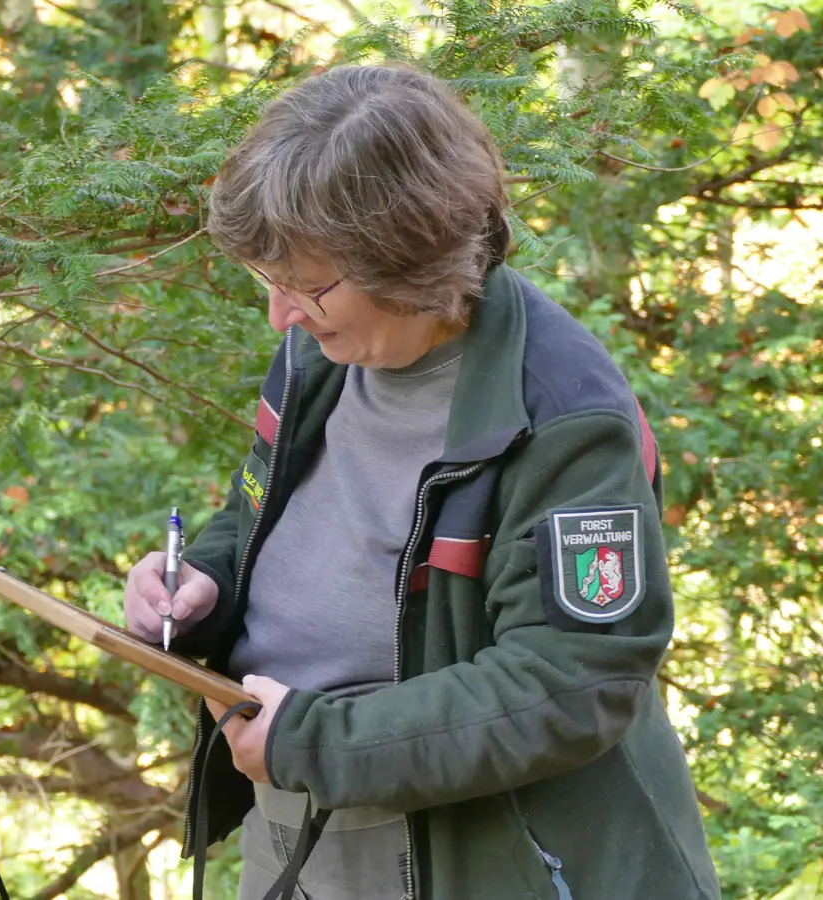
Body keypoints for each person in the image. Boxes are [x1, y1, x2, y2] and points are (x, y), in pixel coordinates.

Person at [122, 63, 722, 900]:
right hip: (296, 816)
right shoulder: (316, 355)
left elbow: (574, 684)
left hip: (479, 852)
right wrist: (203, 584)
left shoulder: (562, 419)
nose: (280, 315)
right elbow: (256, 514)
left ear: (410, 257)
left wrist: (328, 743)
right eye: (270, 282)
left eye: (309, 286)